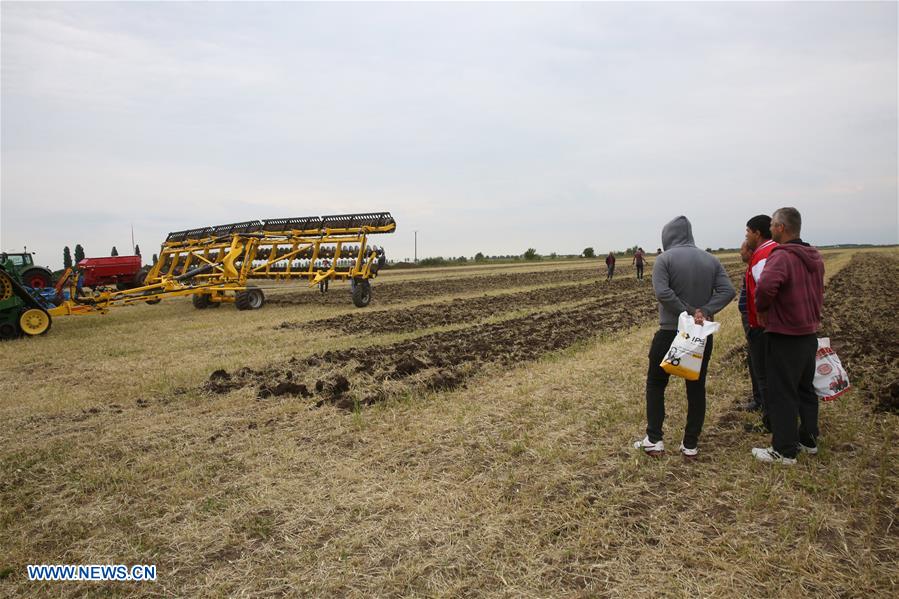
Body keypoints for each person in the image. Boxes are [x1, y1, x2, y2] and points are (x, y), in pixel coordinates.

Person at [634, 216, 735, 457]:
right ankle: (690, 444)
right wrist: (704, 311)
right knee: (696, 387)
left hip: (670, 331)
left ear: (667, 236)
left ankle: (654, 439)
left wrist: (687, 312)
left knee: (656, 384)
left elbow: (663, 293)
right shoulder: (711, 260)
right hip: (700, 336)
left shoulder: (664, 259)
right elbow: (728, 291)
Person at [752, 207, 824, 465]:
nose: (770, 228)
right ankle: (808, 440)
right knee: (806, 388)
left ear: (781, 227)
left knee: (782, 391)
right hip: (808, 333)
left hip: (784, 333)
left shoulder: (781, 256)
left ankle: (783, 450)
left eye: (772, 224)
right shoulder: (813, 255)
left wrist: (762, 308)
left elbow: (766, 287)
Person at [744, 214, 777, 417]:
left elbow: (766, 289)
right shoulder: (772, 251)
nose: (746, 236)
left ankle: (770, 418)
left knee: (764, 374)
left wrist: (762, 313)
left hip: (764, 325)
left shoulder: (763, 255)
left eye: (747, 232)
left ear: (757, 233)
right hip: (772, 324)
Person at [738, 241, 762, 411]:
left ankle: (762, 403)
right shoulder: (751, 268)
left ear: (750, 252)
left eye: (742, 250)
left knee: (758, 362)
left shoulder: (757, 268)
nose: (740, 253)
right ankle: (759, 399)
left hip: (755, 322)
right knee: (753, 360)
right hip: (751, 320)